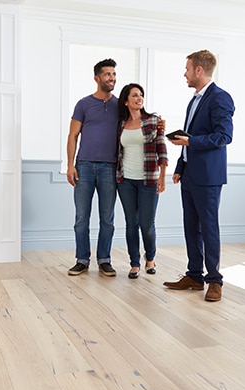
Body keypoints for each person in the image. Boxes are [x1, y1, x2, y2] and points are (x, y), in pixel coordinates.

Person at [163, 49, 235, 302]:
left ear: (199, 70)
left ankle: (214, 281)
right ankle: (194, 275)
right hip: (190, 174)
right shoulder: (194, 100)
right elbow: (190, 138)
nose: (184, 73)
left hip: (208, 176)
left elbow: (224, 136)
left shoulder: (220, 98)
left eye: (187, 68)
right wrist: (180, 167)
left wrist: (190, 142)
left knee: (209, 227)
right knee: (190, 227)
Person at [66, 58, 120, 277]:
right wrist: (70, 165)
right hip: (84, 166)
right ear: (97, 78)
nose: (112, 78)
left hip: (110, 167)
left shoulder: (120, 104)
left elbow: (138, 120)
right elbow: (72, 136)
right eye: (108, 74)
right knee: (81, 217)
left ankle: (104, 259)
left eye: (114, 74)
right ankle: (82, 259)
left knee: (107, 218)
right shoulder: (83, 104)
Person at [116, 83, 168, 279]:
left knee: (146, 224)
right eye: (135, 95)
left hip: (148, 180)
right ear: (126, 101)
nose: (139, 98)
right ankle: (134, 263)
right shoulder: (120, 124)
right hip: (125, 180)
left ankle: (151, 258)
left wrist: (162, 176)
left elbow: (162, 150)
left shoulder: (153, 121)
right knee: (131, 223)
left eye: (141, 95)